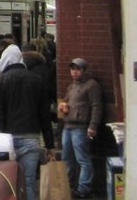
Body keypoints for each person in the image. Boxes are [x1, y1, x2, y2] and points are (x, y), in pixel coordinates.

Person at [0, 44, 55, 200]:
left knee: (6, 183)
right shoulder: (36, 81)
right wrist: (50, 145)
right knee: (29, 182)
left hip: (6, 140)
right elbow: (44, 115)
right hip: (31, 137)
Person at [58, 58, 102, 199]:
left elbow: (96, 106)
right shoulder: (72, 86)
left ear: (84, 70)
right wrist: (63, 105)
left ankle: (84, 188)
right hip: (68, 126)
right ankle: (69, 186)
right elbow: (65, 100)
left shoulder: (91, 85)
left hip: (81, 127)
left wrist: (92, 126)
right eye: (72, 69)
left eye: (77, 69)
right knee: (67, 158)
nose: (74, 72)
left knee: (82, 158)